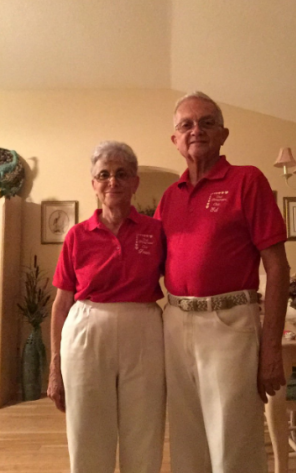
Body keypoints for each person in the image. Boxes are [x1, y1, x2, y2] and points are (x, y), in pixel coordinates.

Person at [154, 92, 290, 473]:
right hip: (176, 322)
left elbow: (278, 268)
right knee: (186, 440)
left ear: (224, 134)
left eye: (207, 122)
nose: (196, 130)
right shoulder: (168, 197)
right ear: (175, 140)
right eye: (186, 124)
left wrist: (271, 349)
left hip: (230, 323)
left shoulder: (248, 180)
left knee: (234, 442)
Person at [47, 141, 166, 473]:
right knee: (87, 430)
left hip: (143, 330)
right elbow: (61, 305)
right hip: (86, 329)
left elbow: (182, 276)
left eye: (122, 174)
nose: (113, 181)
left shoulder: (155, 231)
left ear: (135, 182)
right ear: (94, 185)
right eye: (104, 175)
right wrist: (55, 368)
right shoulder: (77, 235)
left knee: (144, 428)